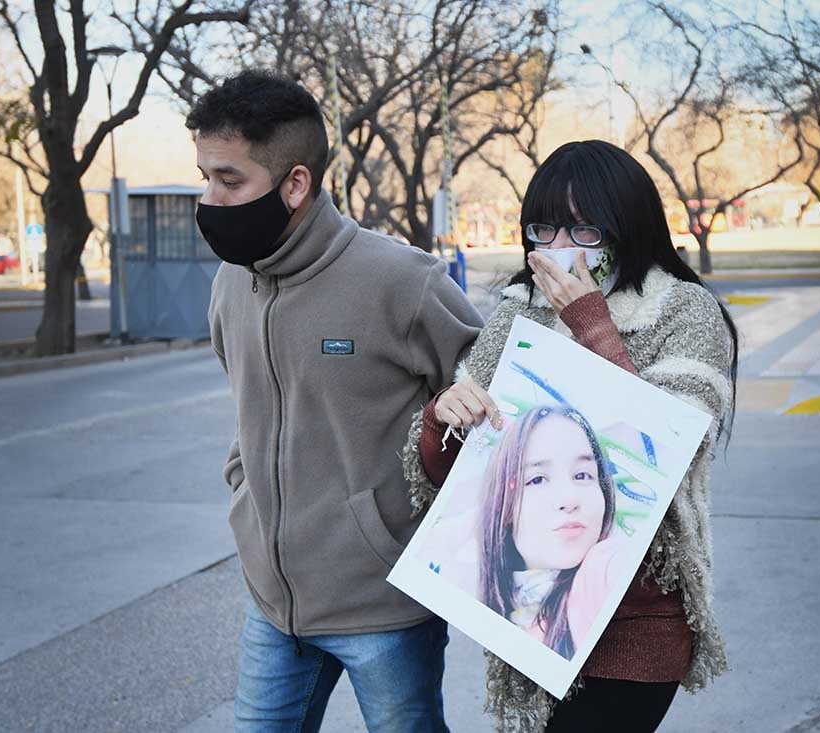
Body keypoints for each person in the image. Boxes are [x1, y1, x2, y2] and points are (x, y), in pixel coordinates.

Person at [401, 139, 738, 732]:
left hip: (638, 618)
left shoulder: (685, 311)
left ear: (627, 227)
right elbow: (456, 475)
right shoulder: (518, 307)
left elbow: (666, 455)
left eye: (585, 230)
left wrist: (590, 322)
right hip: (533, 614)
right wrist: (442, 417)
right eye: (545, 228)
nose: (560, 249)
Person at [192, 70, 483, 732]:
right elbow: (248, 401)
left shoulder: (402, 281)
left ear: (295, 183)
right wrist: (246, 488)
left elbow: (491, 384)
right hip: (273, 606)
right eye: (204, 175)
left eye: (228, 179)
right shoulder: (230, 283)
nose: (207, 197)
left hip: (385, 610)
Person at [478, 405, 623, 661]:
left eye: (582, 475)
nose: (568, 499)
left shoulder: (605, 564)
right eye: (537, 479)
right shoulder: (498, 598)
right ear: (504, 504)